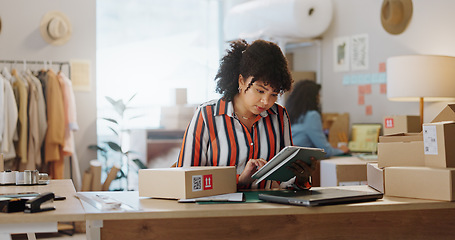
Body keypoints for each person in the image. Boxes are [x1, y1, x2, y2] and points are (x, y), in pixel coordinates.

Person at [177, 39, 314, 190]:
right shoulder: (207, 115)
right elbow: (185, 179)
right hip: (217, 209)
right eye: (260, 90)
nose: (266, 101)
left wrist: (301, 178)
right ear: (241, 81)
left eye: (274, 94)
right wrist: (239, 179)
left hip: (265, 209)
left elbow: (286, 181)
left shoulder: (279, 116)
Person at [285, 80, 350, 157]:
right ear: (313, 97)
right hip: (300, 160)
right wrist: (341, 150)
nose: (319, 98)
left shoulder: (292, 114)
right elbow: (325, 151)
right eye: (318, 95)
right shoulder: (312, 116)